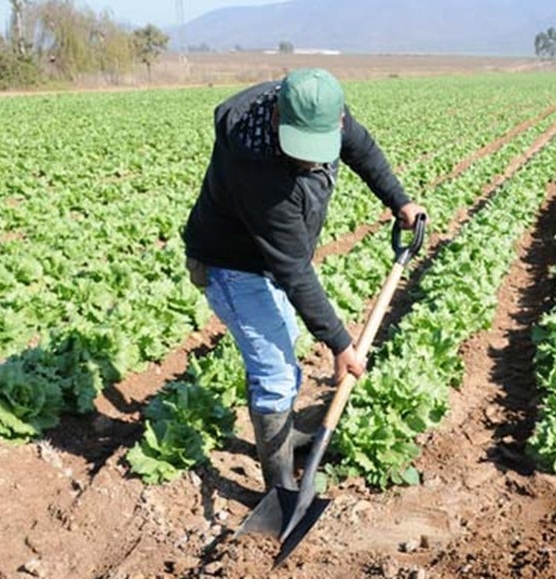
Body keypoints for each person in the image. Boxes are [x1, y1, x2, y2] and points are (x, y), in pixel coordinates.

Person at [181, 68, 425, 492]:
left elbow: (361, 148)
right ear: (277, 118)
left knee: (284, 344)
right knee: (275, 372)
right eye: (303, 150)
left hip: (266, 260)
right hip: (231, 265)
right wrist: (340, 343)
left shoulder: (321, 107)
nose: (312, 160)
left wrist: (399, 200)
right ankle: (280, 489)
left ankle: (286, 436)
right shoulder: (256, 171)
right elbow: (293, 269)